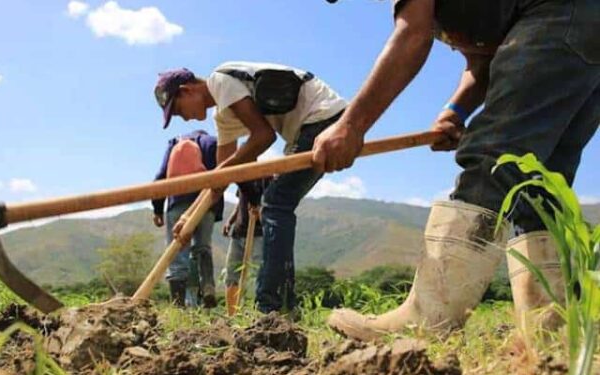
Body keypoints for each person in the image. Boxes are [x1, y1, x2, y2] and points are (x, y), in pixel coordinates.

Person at [312, 0, 599, 340]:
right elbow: (485, 61)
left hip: (563, 16)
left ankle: (428, 320)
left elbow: (412, 35)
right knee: (539, 180)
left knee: (494, 157)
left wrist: (350, 126)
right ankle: (552, 327)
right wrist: (455, 111)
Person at [153, 61, 347, 314]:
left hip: (322, 118)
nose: (184, 118)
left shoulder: (220, 80)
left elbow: (263, 137)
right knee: (277, 203)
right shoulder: (223, 115)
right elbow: (220, 178)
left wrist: (222, 174)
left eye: (178, 110)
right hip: (306, 131)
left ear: (188, 90)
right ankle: (282, 305)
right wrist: (191, 215)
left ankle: (272, 308)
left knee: (276, 204)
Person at [152, 129, 223, 308]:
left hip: (178, 202)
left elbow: (161, 176)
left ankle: (178, 305)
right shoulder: (212, 142)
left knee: (177, 254)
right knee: (203, 247)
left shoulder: (175, 142)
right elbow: (223, 174)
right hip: (206, 203)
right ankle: (207, 286)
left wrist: (158, 209)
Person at [222, 178, 271, 315]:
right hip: (238, 232)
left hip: (258, 233)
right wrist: (230, 221)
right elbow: (239, 203)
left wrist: (260, 212)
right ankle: (232, 315)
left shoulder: (266, 179)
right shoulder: (244, 178)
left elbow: (271, 205)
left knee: (257, 274)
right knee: (231, 273)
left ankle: (257, 313)